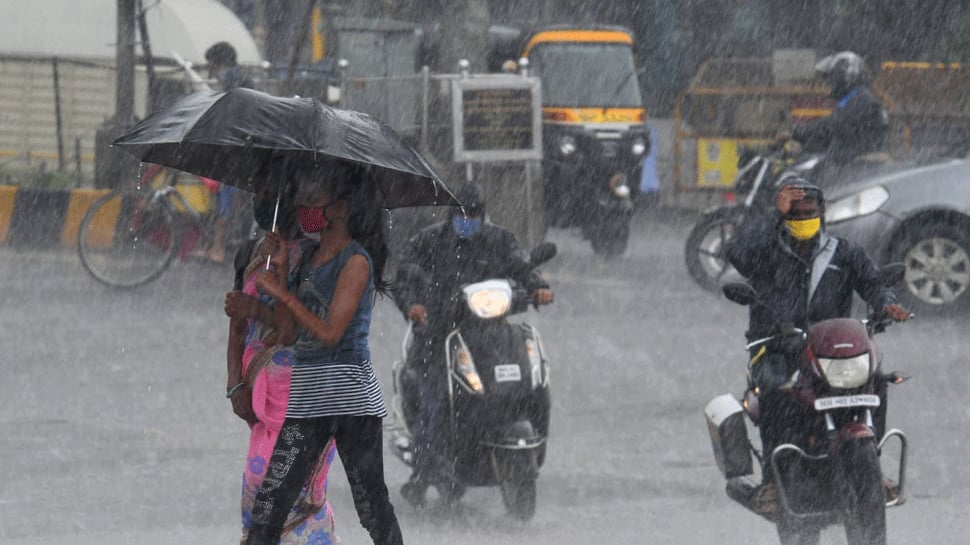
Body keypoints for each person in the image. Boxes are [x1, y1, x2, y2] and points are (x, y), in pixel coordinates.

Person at [246, 163, 404, 545]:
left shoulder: (356, 261)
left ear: (341, 207)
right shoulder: (310, 257)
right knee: (269, 506)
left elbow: (331, 333)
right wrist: (281, 273)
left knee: (371, 506)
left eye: (315, 197)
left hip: (351, 402)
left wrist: (285, 295)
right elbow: (286, 332)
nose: (305, 204)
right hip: (307, 400)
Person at [725, 179, 910, 481]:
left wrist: (887, 305)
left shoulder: (845, 253)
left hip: (833, 351)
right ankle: (773, 479)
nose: (803, 220)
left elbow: (873, 283)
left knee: (876, 379)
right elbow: (736, 252)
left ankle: (871, 464)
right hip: (777, 348)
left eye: (809, 212)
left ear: (822, 213)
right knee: (773, 388)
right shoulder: (766, 253)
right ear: (783, 217)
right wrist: (773, 214)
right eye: (795, 214)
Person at [392, 182, 554, 507]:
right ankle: (421, 476)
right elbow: (405, 273)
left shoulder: (498, 239)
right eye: (462, 214)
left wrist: (538, 287)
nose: (468, 220)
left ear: (483, 214)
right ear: (452, 213)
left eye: (474, 214)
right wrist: (414, 304)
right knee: (436, 400)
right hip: (438, 335)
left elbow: (521, 264)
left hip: (488, 332)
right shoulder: (430, 240)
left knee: (530, 381)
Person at [223, 168, 341, 544]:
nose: (260, 198)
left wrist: (260, 303)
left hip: (303, 398)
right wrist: (234, 384)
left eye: (268, 191)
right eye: (258, 191)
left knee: (293, 500)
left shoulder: (315, 260)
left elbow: (292, 331)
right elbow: (237, 326)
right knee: (257, 494)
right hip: (261, 398)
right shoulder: (251, 253)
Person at [781, 51, 891, 190]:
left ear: (844, 75)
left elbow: (831, 125)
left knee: (803, 188)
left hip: (858, 168)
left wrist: (795, 132)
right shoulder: (855, 98)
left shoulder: (861, 99)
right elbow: (836, 135)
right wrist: (803, 146)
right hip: (852, 164)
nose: (829, 83)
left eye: (831, 77)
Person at [203, 41, 255, 263]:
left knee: (227, 194)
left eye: (213, 66)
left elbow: (232, 112)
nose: (213, 72)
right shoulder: (240, 78)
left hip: (240, 147)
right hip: (245, 144)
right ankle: (220, 243)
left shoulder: (233, 79)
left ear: (220, 63)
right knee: (230, 196)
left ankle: (218, 248)